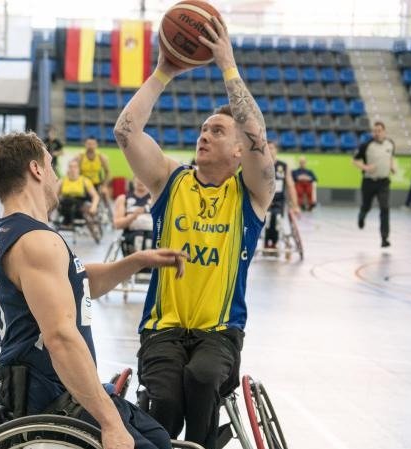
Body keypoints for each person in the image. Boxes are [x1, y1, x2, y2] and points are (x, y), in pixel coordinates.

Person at [113, 17, 274, 449]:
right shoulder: (171, 180)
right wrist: (164, 71)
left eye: (217, 131)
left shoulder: (252, 193)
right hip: (162, 327)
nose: (204, 135)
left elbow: (258, 135)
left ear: (239, 151)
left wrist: (227, 66)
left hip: (219, 332)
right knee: (164, 398)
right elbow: (125, 132)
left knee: (202, 378)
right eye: (203, 129)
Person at [0, 131, 186, 449]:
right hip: (52, 393)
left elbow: (76, 284)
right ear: (36, 170)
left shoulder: (16, 232)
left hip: (51, 385)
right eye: (52, 167)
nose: (56, 177)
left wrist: (136, 261)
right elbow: (61, 338)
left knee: (159, 438)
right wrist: (109, 423)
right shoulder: (37, 242)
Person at [353, 121, 396, 248]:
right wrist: (365, 167)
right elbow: (354, 160)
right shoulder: (366, 145)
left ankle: (384, 238)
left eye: (379, 130)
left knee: (385, 208)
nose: (377, 133)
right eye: (375, 131)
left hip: (384, 182)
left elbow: (391, 157)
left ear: (384, 131)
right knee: (367, 206)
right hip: (369, 182)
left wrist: (392, 166)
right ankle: (362, 215)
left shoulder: (390, 144)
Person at [263, 141, 300, 249]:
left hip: (279, 200)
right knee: (267, 219)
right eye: (267, 148)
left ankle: (274, 242)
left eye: (272, 148)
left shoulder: (283, 166)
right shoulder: (260, 166)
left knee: (276, 218)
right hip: (264, 200)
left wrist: (295, 205)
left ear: (276, 150)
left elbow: (291, 186)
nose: (269, 150)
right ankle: (266, 242)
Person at [113, 177, 154, 256]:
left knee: (150, 237)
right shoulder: (123, 199)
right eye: (138, 177)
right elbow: (117, 224)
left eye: (143, 177)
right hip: (131, 237)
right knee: (138, 236)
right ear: (133, 180)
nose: (140, 181)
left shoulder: (155, 198)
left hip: (151, 236)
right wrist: (134, 216)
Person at [57, 159, 99, 226]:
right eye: (70, 167)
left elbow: (95, 196)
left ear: (78, 169)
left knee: (82, 206)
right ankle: (67, 222)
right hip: (65, 205)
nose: (73, 169)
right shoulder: (62, 181)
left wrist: (93, 207)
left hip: (79, 205)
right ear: (68, 168)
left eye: (75, 167)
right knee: (64, 203)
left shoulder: (84, 181)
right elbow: (54, 196)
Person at [75, 137, 111, 202]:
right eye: (89, 144)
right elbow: (74, 171)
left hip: (96, 184)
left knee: (105, 192)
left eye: (93, 144)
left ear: (96, 145)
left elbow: (108, 173)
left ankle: (107, 210)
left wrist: (104, 185)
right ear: (85, 144)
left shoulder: (101, 157)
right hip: (83, 184)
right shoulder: (80, 156)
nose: (91, 146)